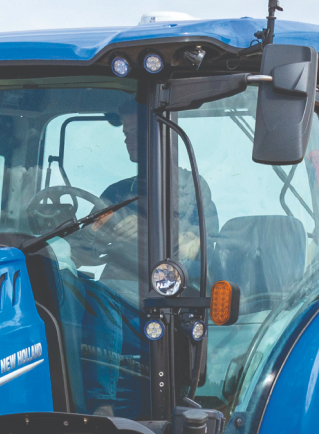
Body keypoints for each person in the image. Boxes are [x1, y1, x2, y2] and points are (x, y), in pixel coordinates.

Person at [60, 113, 219, 416]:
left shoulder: (191, 188)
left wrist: (191, 240)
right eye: (126, 133)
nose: (126, 139)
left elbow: (208, 240)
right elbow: (83, 248)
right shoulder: (116, 193)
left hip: (162, 302)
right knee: (69, 285)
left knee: (98, 298)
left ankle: (100, 405)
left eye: (134, 133)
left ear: (156, 139)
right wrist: (110, 232)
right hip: (118, 293)